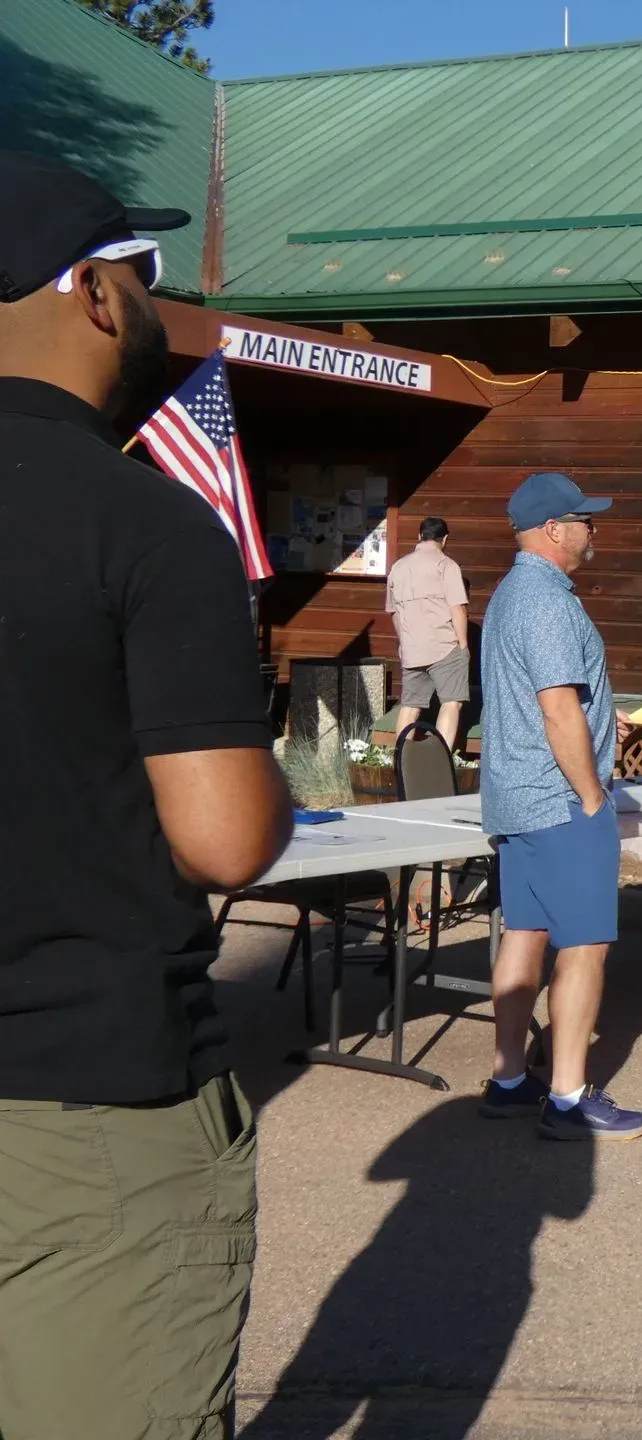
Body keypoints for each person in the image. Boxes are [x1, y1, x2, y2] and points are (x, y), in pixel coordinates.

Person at [0, 151, 294, 1438]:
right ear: (92, 294)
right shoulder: (148, 525)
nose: (152, 299)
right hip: (87, 1106)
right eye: (142, 266)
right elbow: (227, 839)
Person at [479, 471, 642, 1138]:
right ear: (555, 529)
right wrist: (590, 793)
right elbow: (556, 709)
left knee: (524, 932)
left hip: (516, 799)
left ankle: (509, 1080)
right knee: (585, 945)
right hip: (557, 800)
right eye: (585, 519)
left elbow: (548, 702)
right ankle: (570, 1096)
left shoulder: (508, 594)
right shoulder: (547, 601)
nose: (593, 529)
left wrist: (607, 723)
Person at [386, 516, 470, 752]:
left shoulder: (398, 567)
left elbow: (394, 612)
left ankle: (400, 759)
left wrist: (404, 642)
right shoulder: (446, 565)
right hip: (445, 646)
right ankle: (440, 760)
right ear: (445, 539)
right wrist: (463, 644)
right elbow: (458, 608)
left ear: (419, 536)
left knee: (410, 705)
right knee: (451, 703)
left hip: (412, 647)